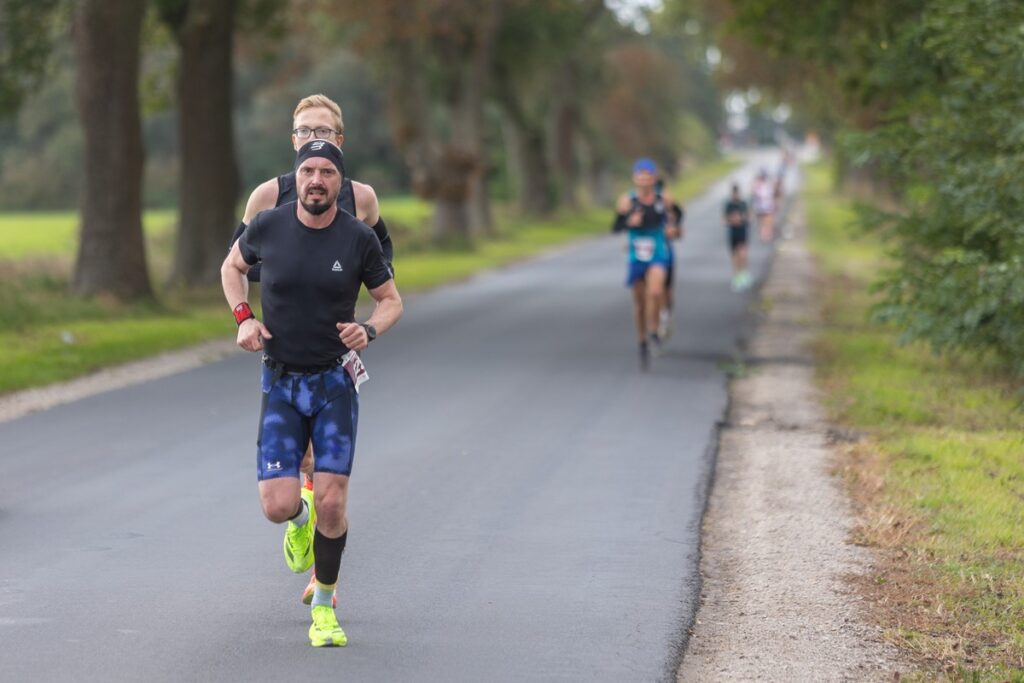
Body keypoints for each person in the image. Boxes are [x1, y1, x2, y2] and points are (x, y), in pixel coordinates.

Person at [221, 139, 403, 647]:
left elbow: (391, 300)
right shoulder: (267, 226)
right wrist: (244, 318)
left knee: (333, 501)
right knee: (277, 506)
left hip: (334, 383)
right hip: (280, 381)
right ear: (296, 178)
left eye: (327, 172)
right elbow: (231, 268)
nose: (316, 180)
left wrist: (369, 329)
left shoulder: (357, 238)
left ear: (339, 183)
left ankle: (324, 605)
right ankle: (299, 521)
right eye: (308, 171)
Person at [612, 159, 679, 369]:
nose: (644, 181)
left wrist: (673, 228)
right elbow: (615, 227)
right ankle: (642, 340)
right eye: (640, 177)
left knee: (656, 291)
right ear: (635, 179)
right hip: (636, 255)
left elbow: (677, 216)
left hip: (658, 252)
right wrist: (628, 222)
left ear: (654, 178)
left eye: (648, 177)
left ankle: (654, 330)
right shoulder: (627, 200)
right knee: (640, 304)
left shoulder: (663, 198)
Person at [723, 182, 752, 291]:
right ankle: (736, 276)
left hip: (742, 231)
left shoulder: (743, 204)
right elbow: (724, 219)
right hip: (733, 233)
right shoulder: (729, 205)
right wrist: (732, 220)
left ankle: (744, 274)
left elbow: (749, 217)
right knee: (735, 255)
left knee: (743, 254)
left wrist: (742, 219)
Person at [751, 169, 776, 242]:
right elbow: (755, 194)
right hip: (760, 207)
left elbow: (771, 195)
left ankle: (767, 235)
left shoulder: (767, 184)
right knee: (762, 222)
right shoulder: (758, 185)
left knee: (767, 222)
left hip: (767, 207)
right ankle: (764, 235)